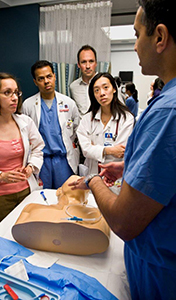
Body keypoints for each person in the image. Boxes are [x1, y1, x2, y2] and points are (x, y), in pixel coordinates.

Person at [69, 0, 176, 299]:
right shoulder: (166, 102)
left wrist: (93, 180)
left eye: (136, 34)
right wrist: (127, 165)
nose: (134, 45)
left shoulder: (167, 110)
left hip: (161, 269)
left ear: (160, 37)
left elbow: (123, 222)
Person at [0, 72, 44, 233]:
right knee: (4, 237)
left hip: (26, 191)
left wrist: (30, 167)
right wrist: (1, 176)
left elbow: (38, 148)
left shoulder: (25, 122)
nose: (15, 98)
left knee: (29, 234)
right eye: (7, 93)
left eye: (16, 92)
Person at [12, 175, 110, 255]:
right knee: (100, 224)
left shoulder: (32, 208)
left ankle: (51, 221)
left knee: (28, 213)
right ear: (58, 190)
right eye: (75, 180)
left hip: (36, 216)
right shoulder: (99, 214)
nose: (79, 182)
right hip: (91, 224)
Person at [22, 60, 80, 189]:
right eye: (41, 78)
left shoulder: (69, 103)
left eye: (49, 76)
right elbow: (24, 134)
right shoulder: (28, 105)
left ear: (54, 76)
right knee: (43, 198)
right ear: (35, 82)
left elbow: (76, 129)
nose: (46, 81)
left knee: (66, 196)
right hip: (42, 161)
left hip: (64, 161)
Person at [76, 73, 134, 177]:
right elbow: (85, 149)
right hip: (92, 174)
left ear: (114, 89)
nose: (102, 93)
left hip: (115, 176)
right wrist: (109, 150)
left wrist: (94, 148)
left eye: (106, 87)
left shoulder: (126, 118)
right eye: (96, 90)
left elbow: (120, 151)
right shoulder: (87, 119)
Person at [69, 45, 97, 117]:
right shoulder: (73, 87)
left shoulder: (106, 84)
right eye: (83, 62)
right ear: (78, 64)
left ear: (96, 63)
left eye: (91, 61)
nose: (88, 66)